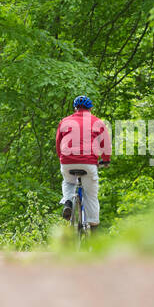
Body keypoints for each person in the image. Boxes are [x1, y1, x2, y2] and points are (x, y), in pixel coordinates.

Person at [55, 95, 111, 230]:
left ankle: (68, 202)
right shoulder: (97, 122)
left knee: (68, 182)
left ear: (75, 108)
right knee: (91, 195)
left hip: (67, 161)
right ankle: (94, 229)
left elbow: (58, 142)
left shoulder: (64, 121)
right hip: (88, 163)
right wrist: (106, 160)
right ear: (90, 108)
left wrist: (61, 158)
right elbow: (106, 145)